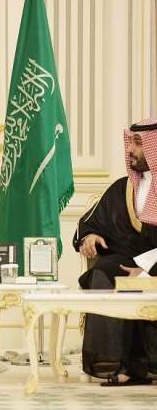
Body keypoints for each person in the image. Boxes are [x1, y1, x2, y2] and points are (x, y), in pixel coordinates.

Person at [73, 117, 157, 386]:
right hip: (129, 260)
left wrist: (146, 269)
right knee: (103, 271)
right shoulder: (124, 187)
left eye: (138, 143)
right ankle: (119, 363)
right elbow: (89, 221)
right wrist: (90, 236)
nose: (130, 149)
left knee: (141, 280)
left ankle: (149, 364)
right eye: (130, 142)